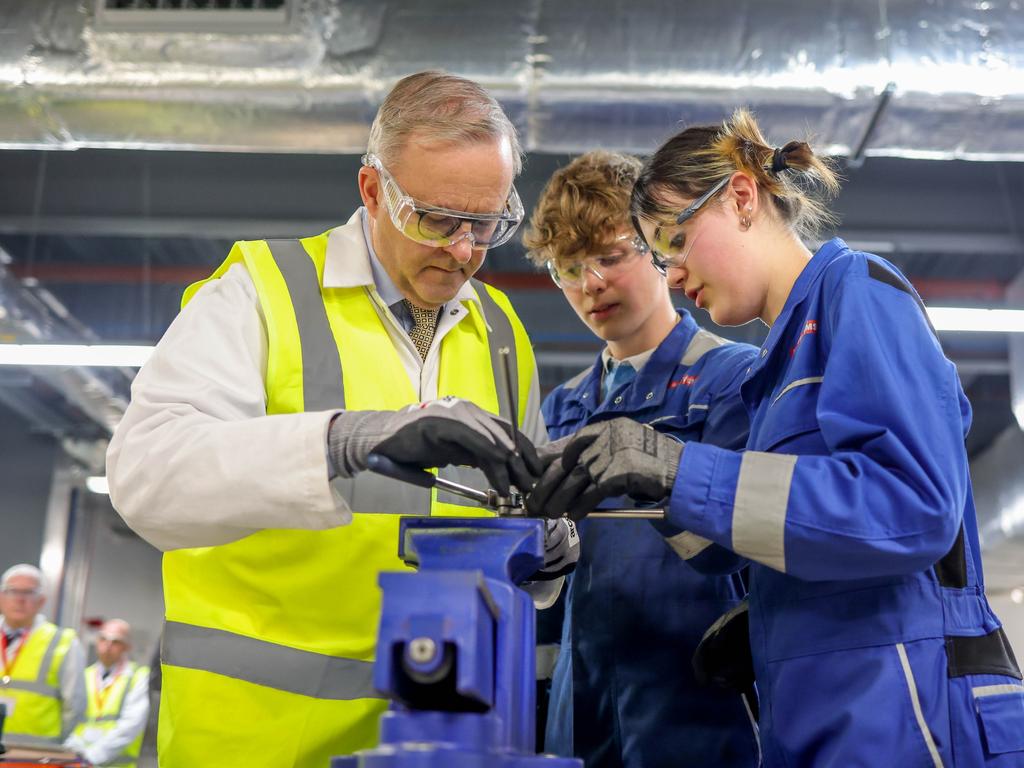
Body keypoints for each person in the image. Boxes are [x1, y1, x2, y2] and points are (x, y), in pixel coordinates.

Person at [528, 109, 1024, 765]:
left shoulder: (857, 295)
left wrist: (679, 472)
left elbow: (914, 506)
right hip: (821, 715)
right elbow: (770, 536)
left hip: (907, 711)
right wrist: (653, 488)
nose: (671, 275)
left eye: (673, 243)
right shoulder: (775, 370)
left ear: (739, 197)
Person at [106, 71, 570, 767]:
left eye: (486, 222)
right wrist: (341, 440)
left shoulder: (499, 330)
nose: (464, 250)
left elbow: (503, 526)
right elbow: (147, 480)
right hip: (257, 740)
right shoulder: (261, 292)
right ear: (374, 190)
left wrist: (544, 552)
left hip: (438, 740)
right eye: (438, 219)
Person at [522, 150, 760, 767]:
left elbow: (749, 546)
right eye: (567, 268)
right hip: (580, 723)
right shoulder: (562, 409)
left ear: (657, 246)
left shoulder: (733, 381)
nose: (590, 283)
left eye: (609, 255)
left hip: (704, 711)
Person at [0, 563, 86, 747]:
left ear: (41, 601)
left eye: (29, 593)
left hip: (36, 756)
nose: (19, 599)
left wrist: (52, 745)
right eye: (12, 591)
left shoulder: (64, 642)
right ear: (1, 597)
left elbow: (76, 705)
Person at [65, 619, 150, 767]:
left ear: (127, 647)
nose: (108, 646)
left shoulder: (139, 677)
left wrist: (92, 757)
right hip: (78, 760)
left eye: (116, 641)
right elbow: (71, 718)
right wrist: (75, 754)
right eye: (103, 639)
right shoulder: (85, 675)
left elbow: (131, 726)